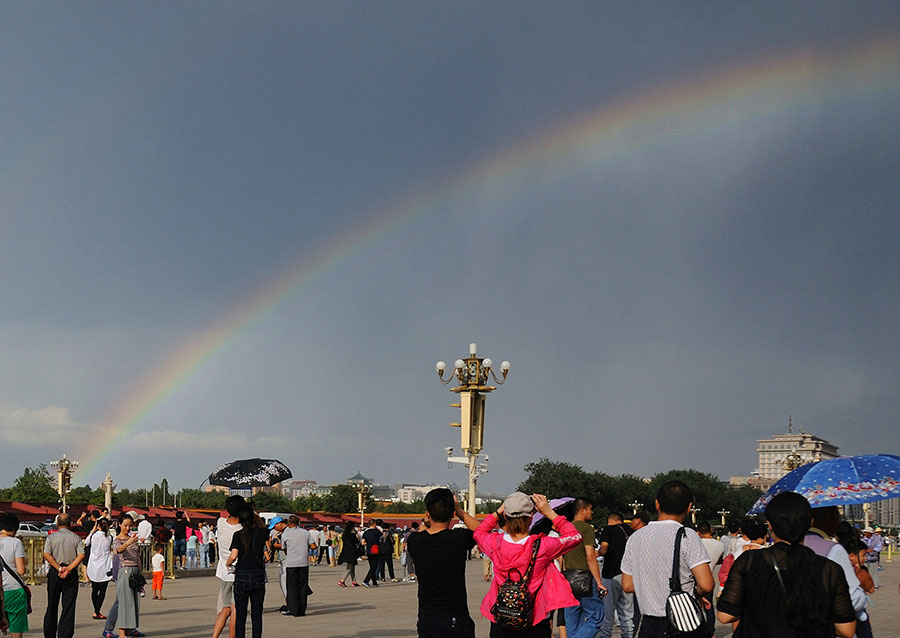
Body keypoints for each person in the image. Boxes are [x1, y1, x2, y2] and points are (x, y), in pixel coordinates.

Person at [716, 492, 856, 637]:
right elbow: (847, 630)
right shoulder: (830, 570)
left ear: (770, 525)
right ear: (810, 523)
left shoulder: (749, 561)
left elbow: (725, 616)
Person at [475, 492, 581, 638]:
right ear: (531, 516)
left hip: (502, 616)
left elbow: (479, 532)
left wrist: (498, 511)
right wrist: (549, 512)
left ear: (505, 516)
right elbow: (575, 536)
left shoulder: (494, 543)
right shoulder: (543, 546)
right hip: (535, 619)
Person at [621, 481, 713, 638]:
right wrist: (694, 593)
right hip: (682, 622)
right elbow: (706, 584)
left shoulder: (635, 538)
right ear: (689, 507)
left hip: (648, 625)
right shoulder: (687, 535)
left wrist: (652, 587)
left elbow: (628, 585)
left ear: (657, 504)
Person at [406, 488, 480, 637]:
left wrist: (427, 521)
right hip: (455, 619)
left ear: (427, 513)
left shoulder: (414, 541)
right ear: (452, 513)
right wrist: (460, 512)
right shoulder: (459, 538)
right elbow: (483, 532)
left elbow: (422, 531)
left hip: (427, 619)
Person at [803, 506, 868, 628]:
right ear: (833, 515)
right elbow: (852, 600)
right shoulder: (833, 549)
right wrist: (861, 594)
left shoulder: (793, 545)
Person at [563, 497, 607, 638]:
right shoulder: (587, 529)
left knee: (571, 618)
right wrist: (599, 582)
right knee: (596, 617)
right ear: (583, 510)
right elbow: (590, 556)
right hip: (584, 578)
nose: (592, 512)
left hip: (567, 577)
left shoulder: (565, 528)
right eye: (590, 509)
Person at [226, 506, 268, 638]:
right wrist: (255, 515)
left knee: (241, 615)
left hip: (242, 575)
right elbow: (265, 528)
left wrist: (227, 564)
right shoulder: (261, 533)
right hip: (257, 575)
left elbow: (233, 555)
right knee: (257, 615)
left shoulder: (238, 535)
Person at [43, 512, 86, 638]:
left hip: (55, 573)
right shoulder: (76, 538)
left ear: (57, 524)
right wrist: (69, 568)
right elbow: (81, 555)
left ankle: (49, 634)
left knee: (52, 605)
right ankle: (65, 634)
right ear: (70, 524)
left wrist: (59, 568)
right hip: (70, 573)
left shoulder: (51, 537)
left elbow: (47, 555)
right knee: (68, 606)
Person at [213, 496, 245, 638]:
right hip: (239, 572)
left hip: (225, 573)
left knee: (225, 610)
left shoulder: (220, 523)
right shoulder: (242, 528)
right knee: (236, 610)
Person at [598, 511, 632, 638]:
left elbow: (604, 549)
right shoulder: (630, 531)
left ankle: (605, 635)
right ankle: (628, 635)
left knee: (608, 611)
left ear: (610, 520)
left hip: (610, 574)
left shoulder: (608, 530)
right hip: (628, 575)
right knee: (627, 613)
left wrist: (596, 553)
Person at [111, 513, 141, 638]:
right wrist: (128, 542)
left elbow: (137, 557)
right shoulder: (118, 540)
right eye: (125, 525)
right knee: (124, 604)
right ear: (120, 525)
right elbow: (118, 550)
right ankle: (122, 635)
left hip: (135, 572)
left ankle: (128, 633)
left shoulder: (132, 539)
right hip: (125, 571)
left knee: (133, 605)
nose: (127, 528)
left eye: (130, 525)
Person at [280, 515, 315, 616]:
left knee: (291, 587)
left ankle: (293, 609)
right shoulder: (305, 533)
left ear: (289, 524)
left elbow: (283, 547)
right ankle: (301, 610)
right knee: (303, 587)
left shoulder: (285, 534)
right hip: (303, 563)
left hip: (291, 563)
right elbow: (313, 546)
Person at [0, 513, 28, 638]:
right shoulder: (15, 543)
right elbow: (21, 570)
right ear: (14, 528)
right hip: (13, 590)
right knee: (16, 628)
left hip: (0, 591)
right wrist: (25, 562)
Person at [695, 521, 724, 635]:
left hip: (695, 579)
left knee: (694, 607)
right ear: (711, 530)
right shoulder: (719, 545)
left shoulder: (697, 543)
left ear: (699, 532)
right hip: (709, 578)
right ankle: (711, 631)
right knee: (709, 607)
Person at [86, 517, 114, 619]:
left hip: (93, 565)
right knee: (102, 591)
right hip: (105, 566)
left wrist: (92, 531)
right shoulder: (109, 537)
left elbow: (86, 543)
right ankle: (97, 611)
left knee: (94, 589)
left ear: (98, 526)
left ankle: (96, 611)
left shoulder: (93, 536)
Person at [337, 522, 362, 587]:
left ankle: (354, 581)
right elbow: (357, 542)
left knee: (352, 566)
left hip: (345, 551)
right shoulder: (352, 535)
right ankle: (342, 580)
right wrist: (356, 534)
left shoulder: (344, 535)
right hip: (351, 552)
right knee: (349, 567)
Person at [361, 519, 383, 587]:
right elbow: (383, 536)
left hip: (369, 550)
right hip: (375, 550)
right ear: (374, 524)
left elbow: (363, 543)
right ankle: (366, 580)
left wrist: (369, 543)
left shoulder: (365, 533)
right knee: (374, 567)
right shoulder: (376, 532)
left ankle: (374, 582)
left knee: (372, 566)